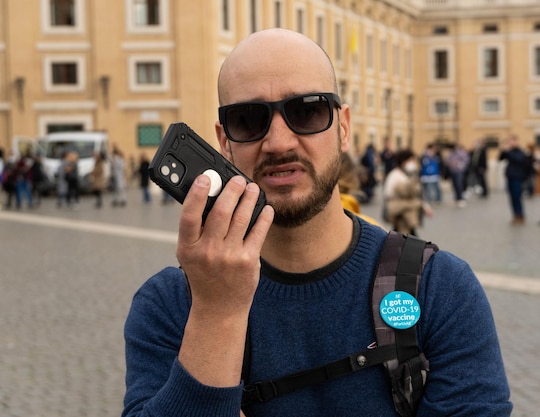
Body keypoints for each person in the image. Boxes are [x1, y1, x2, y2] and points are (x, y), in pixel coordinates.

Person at [122, 29, 512, 417]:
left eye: (307, 111)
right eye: (247, 119)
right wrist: (216, 314)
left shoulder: (440, 288)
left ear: (343, 127)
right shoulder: (171, 305)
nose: (278, 142)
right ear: (224, 142)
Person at [383, 149, 432, 236]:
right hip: (401, 212)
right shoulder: (396, 175)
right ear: (404, 161)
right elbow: (389, 193)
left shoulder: (407, 174)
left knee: (404, 236)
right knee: (405, 237)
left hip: (405, 214)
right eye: (411, 160)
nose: (414, 162)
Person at [499, 135, 531, 225]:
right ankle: (515, 215)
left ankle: (520, 215)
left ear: (516, 142)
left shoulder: (519, 151)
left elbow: (518, 159)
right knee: (512, 197)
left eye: (511, 141)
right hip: (510, 176)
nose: (510, 144)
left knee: (517, 197)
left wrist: (508, 152)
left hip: (518, 177)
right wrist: (503, 150)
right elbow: (500, 158)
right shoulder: (510, 152)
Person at [445, 143, 470, 207]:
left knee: (459, 184)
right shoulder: (450, 153)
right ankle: (456, 198)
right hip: (452, 171)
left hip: (459, 171)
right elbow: (447, 161)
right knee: (454, 185)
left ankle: (461, 198)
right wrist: (451, 163)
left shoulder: (461, 153)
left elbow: (466, 160)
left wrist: (458, 163)